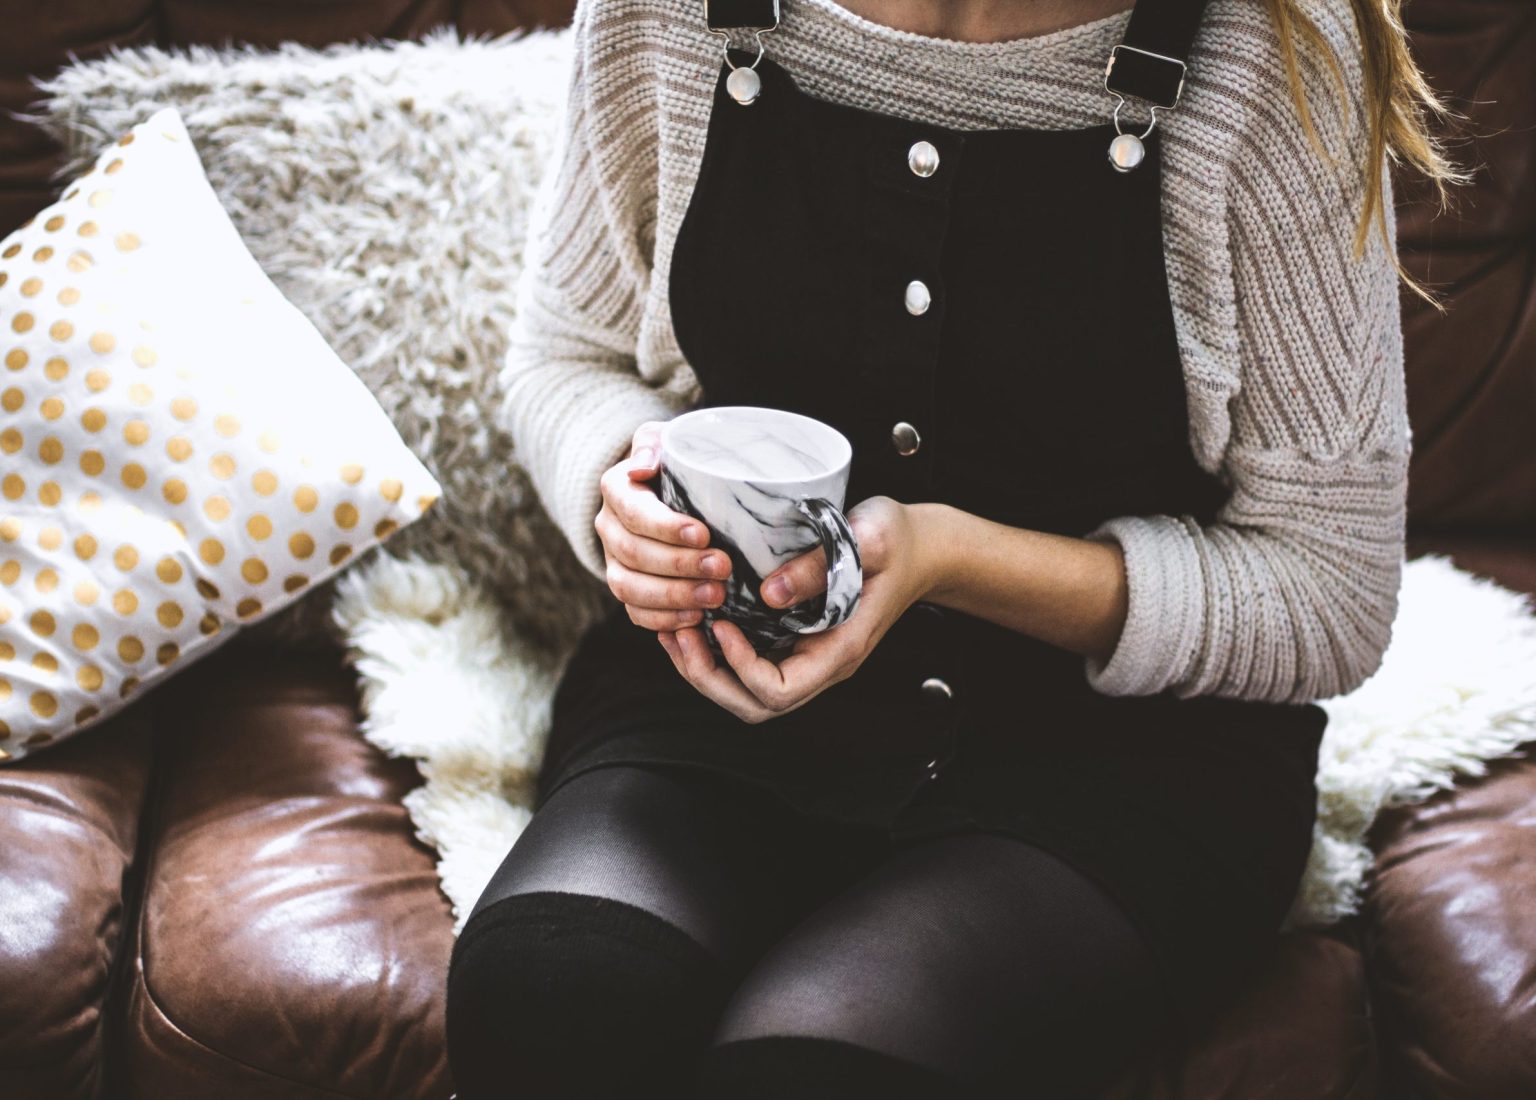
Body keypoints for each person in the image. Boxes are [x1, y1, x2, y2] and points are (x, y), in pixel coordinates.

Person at [445, 0, 1462, 1096]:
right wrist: (627, 497)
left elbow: (1333, 590)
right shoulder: (667, 12)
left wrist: (945, 556)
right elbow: (566, 356)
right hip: (728, 697)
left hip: (1116, 762)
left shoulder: (1271, 53)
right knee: (548, 989)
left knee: (819, 1069)